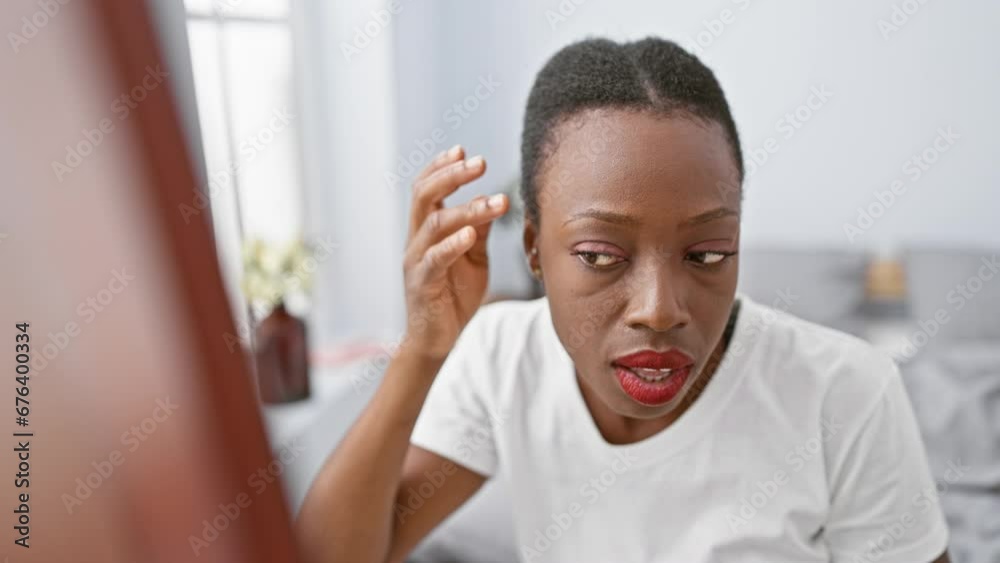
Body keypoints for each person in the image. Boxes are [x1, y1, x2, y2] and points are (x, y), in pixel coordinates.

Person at [297, 37, 950, 563]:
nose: (660, 309)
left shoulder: (849, 392)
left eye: (708, 254)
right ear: (533, 246)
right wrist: (422, 349)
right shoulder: (502, 354)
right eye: (601, 257)